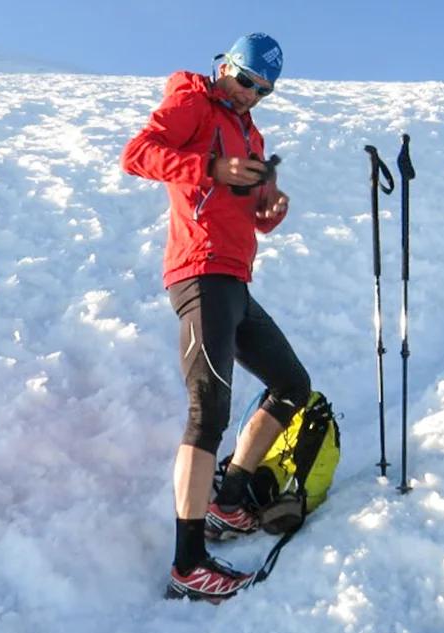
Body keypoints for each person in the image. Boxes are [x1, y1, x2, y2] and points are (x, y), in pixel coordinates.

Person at [121, 33, 311, 602]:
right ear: (226, 66)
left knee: (292, 385)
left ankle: (229, 503)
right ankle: (188, 564)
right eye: (248, 80)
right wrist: (212, 168)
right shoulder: (192, 99)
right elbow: (138, 153)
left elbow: (253, 213)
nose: (253, 94)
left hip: (236, 279)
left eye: (265, 90)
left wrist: (271, 210)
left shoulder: (253, 136)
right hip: (199, 274)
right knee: (209, 412)